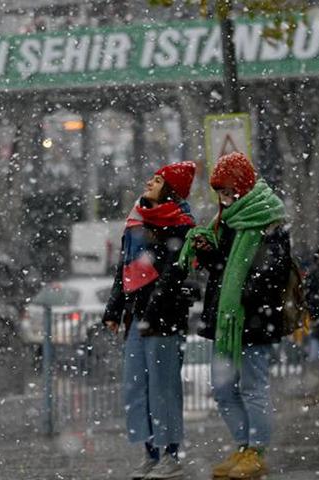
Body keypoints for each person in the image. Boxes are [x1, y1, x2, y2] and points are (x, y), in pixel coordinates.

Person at [178, 152, 291, 480]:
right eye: (220, 193)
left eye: (228, 191)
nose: (224, 199)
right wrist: (207, 252)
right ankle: (243, 446)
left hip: (253, 319)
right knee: (223, 387)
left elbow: (273, 272)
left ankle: (257, 450)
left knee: (254, 386)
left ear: (242, 186)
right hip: (226, 319)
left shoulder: (269, 219)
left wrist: (244, 294)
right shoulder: (227, 220)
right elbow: (221, 269)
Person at [102, 161, 196, 480]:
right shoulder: (136, 219)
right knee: (135, 387)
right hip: (136, 317)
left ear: (170, 189)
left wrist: (155, 302)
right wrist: (115, 309)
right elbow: (124, 268)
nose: (149, 183)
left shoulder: (180, 223)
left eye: (157, 180)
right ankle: (150, 453)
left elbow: (175, 271)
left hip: (164, 318)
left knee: (163, 388)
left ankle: (171, 455)